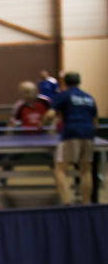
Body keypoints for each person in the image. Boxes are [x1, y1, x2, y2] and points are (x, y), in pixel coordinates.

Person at [44, 71, 99, 204]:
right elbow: (95, 122)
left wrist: (41, 123)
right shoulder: (89, 97)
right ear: (79, 82)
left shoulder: (63, 95)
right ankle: (86, 203)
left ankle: (67, 203)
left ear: (64, 82)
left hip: (71, 133)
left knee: (60, 170)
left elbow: (50, 114)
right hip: (89, 133)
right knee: (86, 170)